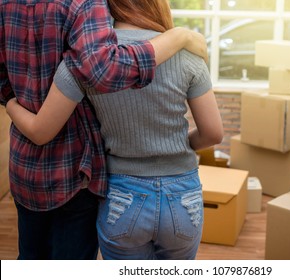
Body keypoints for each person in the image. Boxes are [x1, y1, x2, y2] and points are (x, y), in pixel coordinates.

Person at [6, 0, 223, 260]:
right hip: (182, 193)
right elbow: (213, 133)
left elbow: (42, 129)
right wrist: (181, 144)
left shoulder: (80, 62)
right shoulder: (187, 52)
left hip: (122, 193)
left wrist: (9, 102)